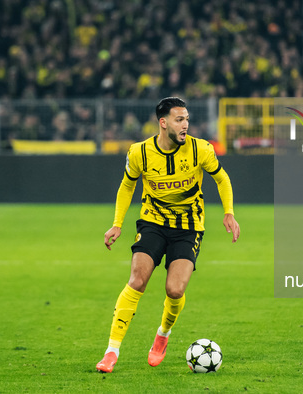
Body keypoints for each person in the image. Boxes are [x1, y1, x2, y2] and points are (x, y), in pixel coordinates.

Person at [96, 97, 240, 373]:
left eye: (187, 119)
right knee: (137, 280)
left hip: (188, 226)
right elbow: (127, 186)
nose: (185, 125)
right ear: (163, 123)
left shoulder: (201, 150)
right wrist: (117, 223)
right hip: (153, 222)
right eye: (179, 119)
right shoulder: (140, 152)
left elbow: (221, 178)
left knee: (175, 289)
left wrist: (228, 212)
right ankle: (111, 351)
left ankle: (163, 334)